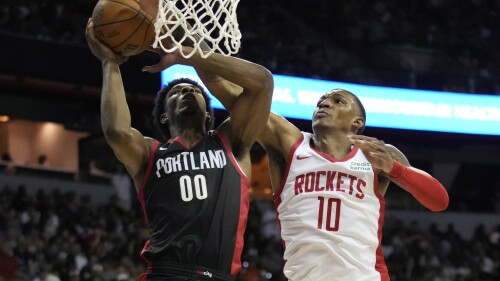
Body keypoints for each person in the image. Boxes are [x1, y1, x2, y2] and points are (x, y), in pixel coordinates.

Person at [194, 81, 449, 279]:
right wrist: (190, 54)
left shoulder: (377, 155)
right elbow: (235, 95)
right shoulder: (291, 144)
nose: (324, 104)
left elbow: (439, 201)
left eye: (337, 101)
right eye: (321, 101)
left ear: (357, 122)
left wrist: (393, 168)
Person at [85, 15, 273, 281]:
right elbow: (116, 131)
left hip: (218, 276)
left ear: (209, 114)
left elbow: (262, 82)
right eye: (177, 92)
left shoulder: (231, 141)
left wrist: (188, 55)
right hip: (164, 273)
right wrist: (109, 63)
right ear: (164, 116)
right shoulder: (150, 153)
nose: (187, 92)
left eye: (194, 90)